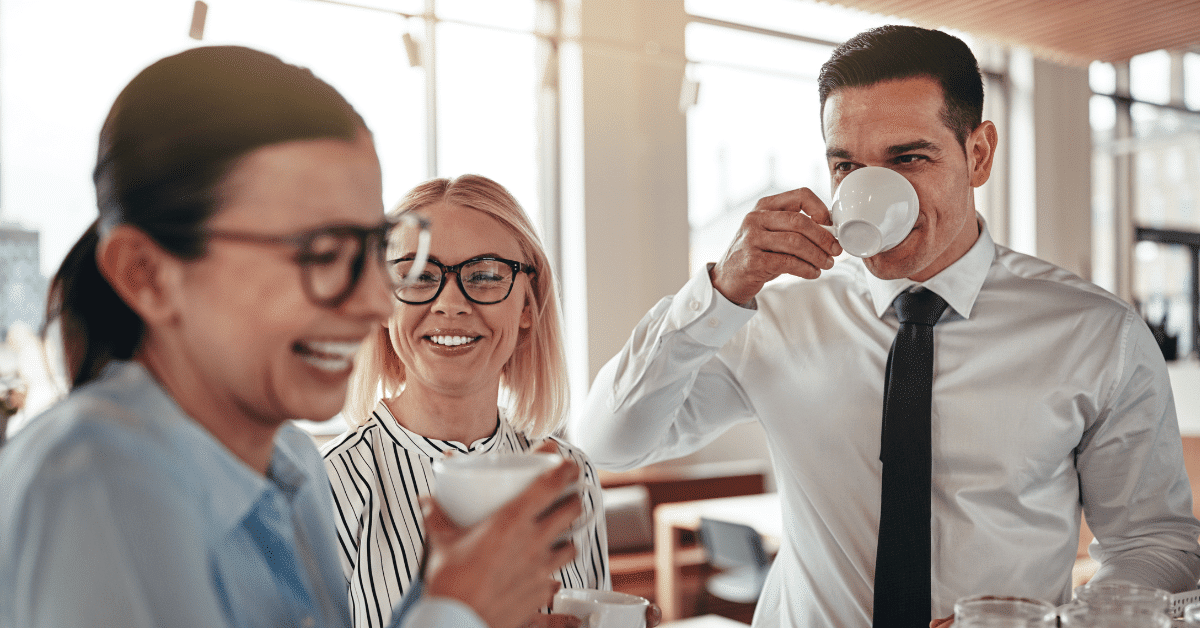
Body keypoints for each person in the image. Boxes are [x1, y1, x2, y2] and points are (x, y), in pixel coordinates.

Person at [570, 24, 1200, 627]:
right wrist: (714, 292)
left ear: (978, 154)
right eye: (847, 166)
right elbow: (607, 441)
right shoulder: (771, 315)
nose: (873, 188)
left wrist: (1055, 624)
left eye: (908, 158)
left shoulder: (1094, 331)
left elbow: (1157, 543)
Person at [0, 46, 583, 628]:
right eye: (321, 252)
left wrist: (444, 597)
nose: (377, 302)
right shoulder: (90, 490)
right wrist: (457, 613)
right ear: (146, 274)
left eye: (370, 249)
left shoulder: (293, 466)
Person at [322, 174, 610, 628]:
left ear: (528, 307)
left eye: (485, 275)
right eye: (417, 276)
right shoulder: (327, 487)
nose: (450, 303)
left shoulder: (572, 477)